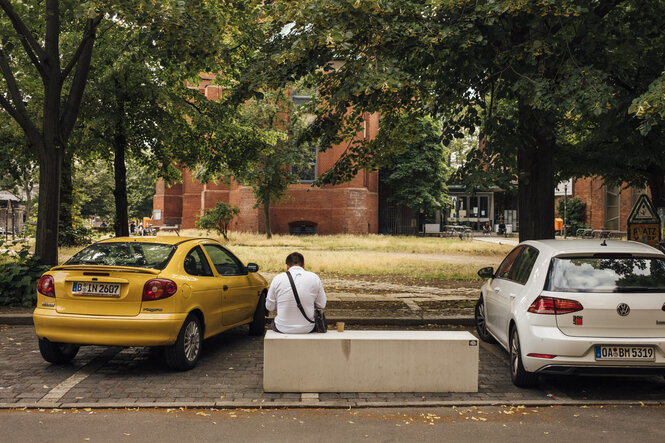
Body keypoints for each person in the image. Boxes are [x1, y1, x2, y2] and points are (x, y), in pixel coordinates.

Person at [266, 252, 326, 333]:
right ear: (304, 266)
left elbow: (269, 307)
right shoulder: (314, 278)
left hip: (282, 327)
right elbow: (322, 304)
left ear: (287, 267)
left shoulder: (277, 279)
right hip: (307, 327)